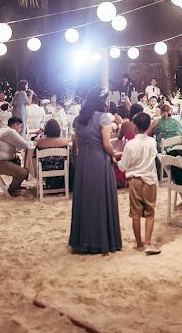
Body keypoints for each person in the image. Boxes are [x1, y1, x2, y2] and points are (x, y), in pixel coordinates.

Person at [69, 88, 122, 254]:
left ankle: (83, 239)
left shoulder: (78, 120)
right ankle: (101, 240)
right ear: (100, 101)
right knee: (100, 198)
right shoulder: (103, 118)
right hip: (100, 161)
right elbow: (107, 144)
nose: (107, 103)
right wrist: (113, 155)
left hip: (83, 161)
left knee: (85, 199)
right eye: (106, 100)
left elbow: (76, 144)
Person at [115, 112, 160, 255]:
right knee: (150, 213)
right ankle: (148, 242)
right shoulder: (152, 142)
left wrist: (116, 161)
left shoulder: (130, 145)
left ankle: (139, 243)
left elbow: (123, 166)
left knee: (135, 214)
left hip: (135, 182)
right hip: (150, 180)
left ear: (134, 126)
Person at [0, 117, 32, 195]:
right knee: (23, 172)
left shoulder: (5, 130)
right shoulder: (10, 132)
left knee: (17, 160)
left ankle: (16, 185)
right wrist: (35, 142)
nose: (20, 130)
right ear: (15, 125)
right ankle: (13, 190)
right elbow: (25, 145)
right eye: (20, 127)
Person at [36, 119, 68, 191]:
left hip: (45, 168)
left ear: (46, 129)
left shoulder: (40, 142)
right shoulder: (64, 142)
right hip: (61, 167)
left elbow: (34, 156)